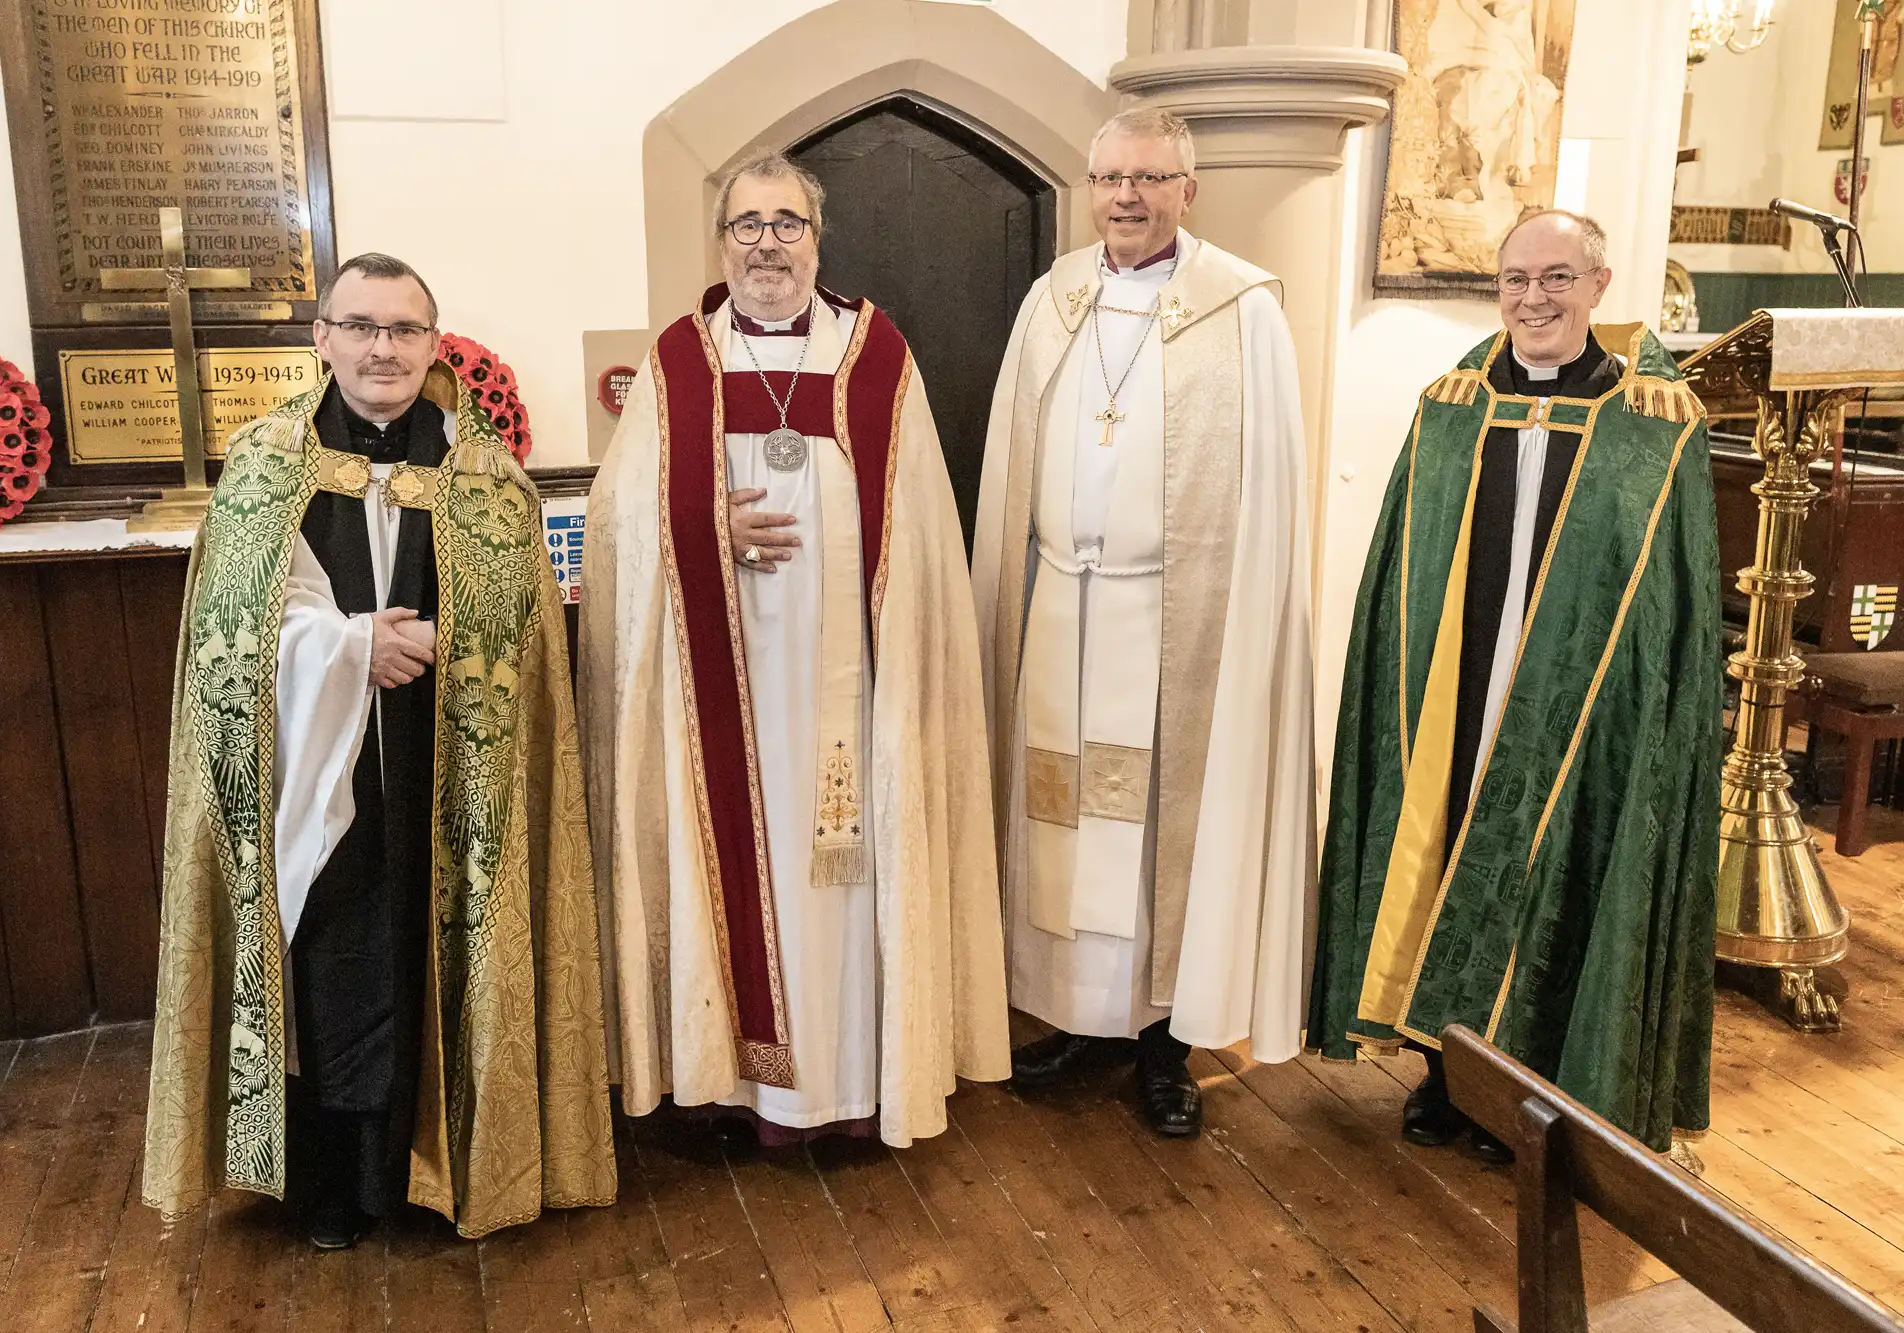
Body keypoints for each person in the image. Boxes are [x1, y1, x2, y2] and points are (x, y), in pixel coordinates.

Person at [142, 252, 617, 1247]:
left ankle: (435, 1172)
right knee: (330, 959)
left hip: (450, 768)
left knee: (431, 948)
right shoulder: (264, 466)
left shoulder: (486, 477)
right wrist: (354, 646)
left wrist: (440, 645)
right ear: (320, 338)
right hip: (311, 772)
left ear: (435, 347)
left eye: (402, 330)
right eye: (359, 326)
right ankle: (329, 1188)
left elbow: (522, 637)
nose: (380, 348)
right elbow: (229, 634)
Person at [577, 150, 1010, 1149]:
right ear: (720, 240)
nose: (766, 245)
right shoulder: (681, 359)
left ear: (817, 239)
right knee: (735, 854)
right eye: (746, 225)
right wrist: (699, 526)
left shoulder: (875, 354)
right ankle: (737, 1084)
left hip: (848, 685)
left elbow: (925, 529)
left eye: (786, 224)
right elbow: (613, 525)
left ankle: (855, 1082)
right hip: (714, 694)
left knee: (844, 865)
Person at [1308, 210, 1721, 1160]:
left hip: (1580, 710)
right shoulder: (1453, 409)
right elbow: (1398, 577)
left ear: (1600, 286)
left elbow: (1674, 606)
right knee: (1449, 839)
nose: (1533, 298)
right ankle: (1444, 1072)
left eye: (1557, 279)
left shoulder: (1650, 428)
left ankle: (1532, 1090)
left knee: (1555, 863)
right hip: (1461, 690)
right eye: (1516, 279)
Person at [971, 108, 1317, 1138]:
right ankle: (1083, 1016)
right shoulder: (1054, 297)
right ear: (1090, 186)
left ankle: (1163, 1037)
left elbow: (1269, 485)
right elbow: (1005, 462)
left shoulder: (1241, 308)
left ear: (1186, 190)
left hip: (1174, 615)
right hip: (1057, 606)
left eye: (1149, 179)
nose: (1126, 197)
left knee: (1155, 823)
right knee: (1062, 811)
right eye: (1110, 178)